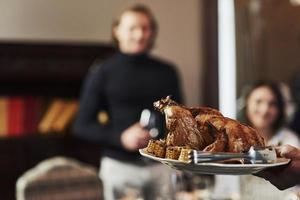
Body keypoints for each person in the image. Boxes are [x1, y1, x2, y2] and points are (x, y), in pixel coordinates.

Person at [73, 4, 183, 200]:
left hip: (161, 166)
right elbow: (82, 125)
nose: (140, 35)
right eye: (133, 28)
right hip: (119, 168)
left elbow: (180, 123)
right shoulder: (102, 72)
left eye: (146, 28)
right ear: (117, 31)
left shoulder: (167, 72)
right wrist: (121, 138)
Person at [237, 80, 300, 199]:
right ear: (246, 104)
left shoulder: (290, 140)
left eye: (272, 104)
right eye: (258, 101)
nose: (265, 109)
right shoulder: (237, 140)